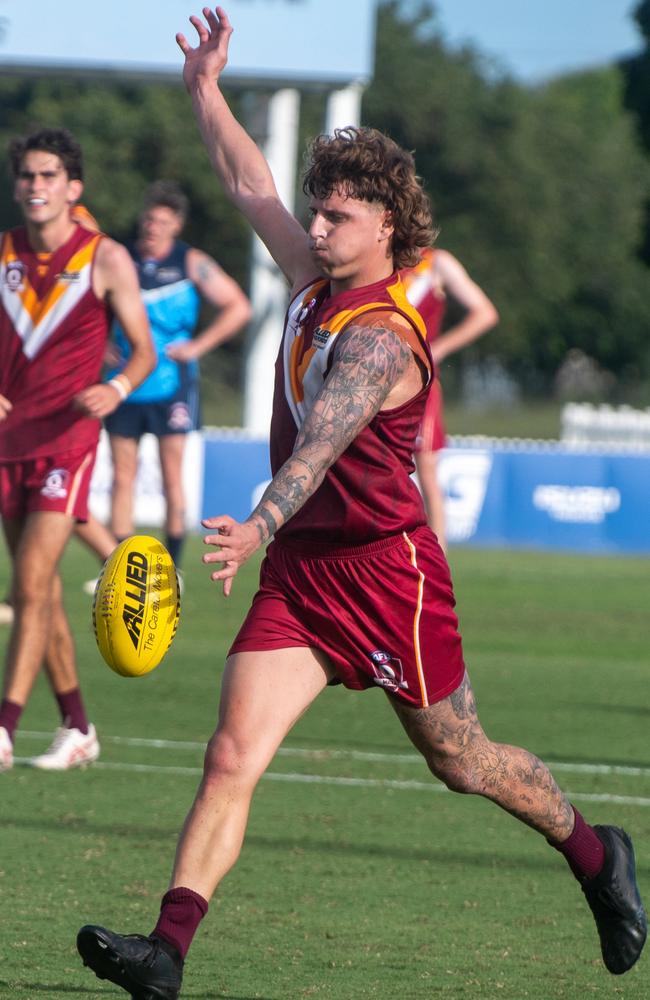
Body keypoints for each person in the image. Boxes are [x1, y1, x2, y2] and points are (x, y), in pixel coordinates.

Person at [76, 8, 646, 998]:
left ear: (391, 226)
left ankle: (595, 853)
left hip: (390, 577)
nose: (320, 222)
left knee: (461, 762)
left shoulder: (380, 335)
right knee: (229, 752)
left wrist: (256, 519)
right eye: (321, 207)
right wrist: (205, 89)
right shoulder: (308, 280)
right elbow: (248, 181)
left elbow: (325, 439)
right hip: (302, 577)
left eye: (340, 212)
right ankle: (166, 952)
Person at [0, 127, 155, 772]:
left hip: (68, 442)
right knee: (40, 592)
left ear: (73, 189)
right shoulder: (3, 252)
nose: (36, 187)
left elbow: (146, 351)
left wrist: (115, 388)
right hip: (8, 446)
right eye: (27, 177)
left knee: (31, 582)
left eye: (48, 177)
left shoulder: (105, 258)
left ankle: (3, 730)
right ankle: (78, 727)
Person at [103, 179, 252, 575]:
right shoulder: (121, 259)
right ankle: (118, 567)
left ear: (177, 226)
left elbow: (238, 306)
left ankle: (171, 569)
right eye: (149, 220)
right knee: (122, 475)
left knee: (172, 476)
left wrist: (198, 347)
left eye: (162, 222)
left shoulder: (190, 263)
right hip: (125, 383)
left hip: (173, 385)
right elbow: (88, 306)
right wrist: (101, 344)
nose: (152, 228)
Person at [401, 248, 498, 549]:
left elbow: (485, 313)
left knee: (426, 467)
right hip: (375, 379)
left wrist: (439, 348)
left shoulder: (435, 263)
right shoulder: (381, 259)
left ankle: (437, 554)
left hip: (420, 381)